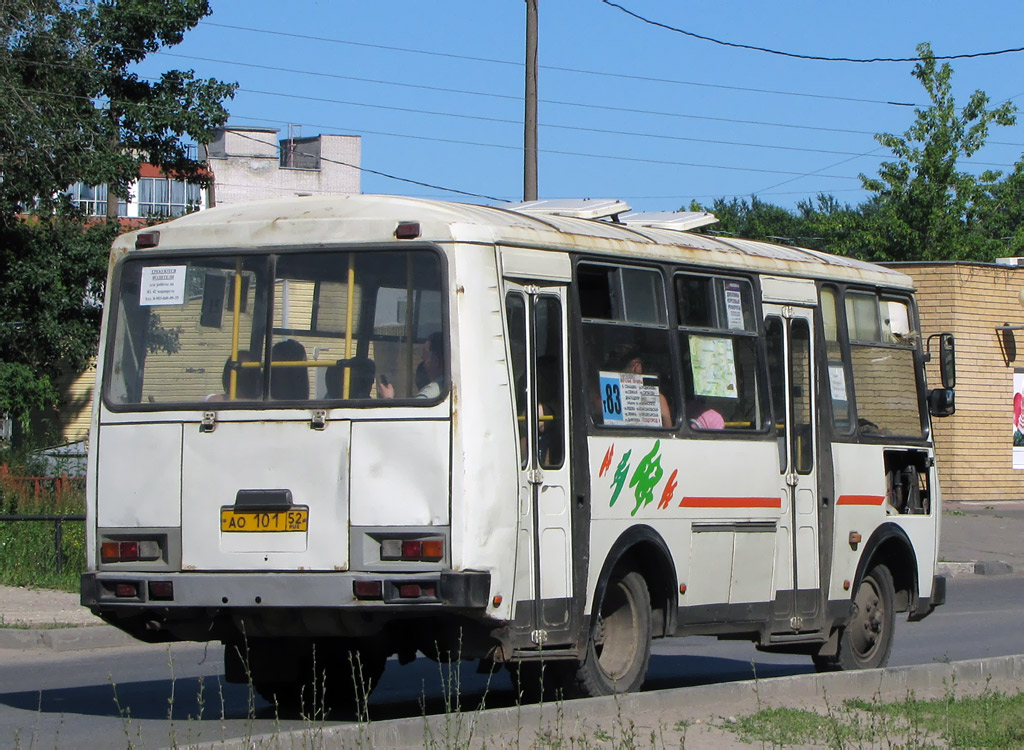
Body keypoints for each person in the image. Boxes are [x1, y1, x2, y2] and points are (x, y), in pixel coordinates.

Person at [379, 332, 444, 399]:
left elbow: (416, 409)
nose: (423, 366)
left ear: (436, 361)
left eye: (424, 359)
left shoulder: (426, 397)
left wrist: (388, 398)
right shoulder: (444, 388)